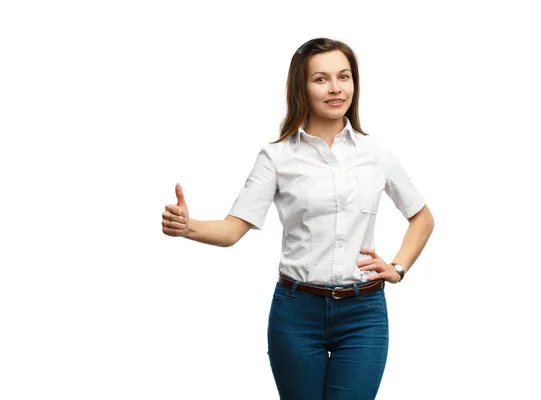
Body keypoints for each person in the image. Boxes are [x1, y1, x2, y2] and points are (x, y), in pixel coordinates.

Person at [162, 37, 435, 400]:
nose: (336, 88)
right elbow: (233, 229)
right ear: (301, 87)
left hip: (364, 314)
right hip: (296, 315)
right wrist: (188, 227)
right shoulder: (277, 157)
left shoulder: (376, 153)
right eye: (321, 79)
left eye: (344, 76)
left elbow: (422, 217)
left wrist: (398, 267)